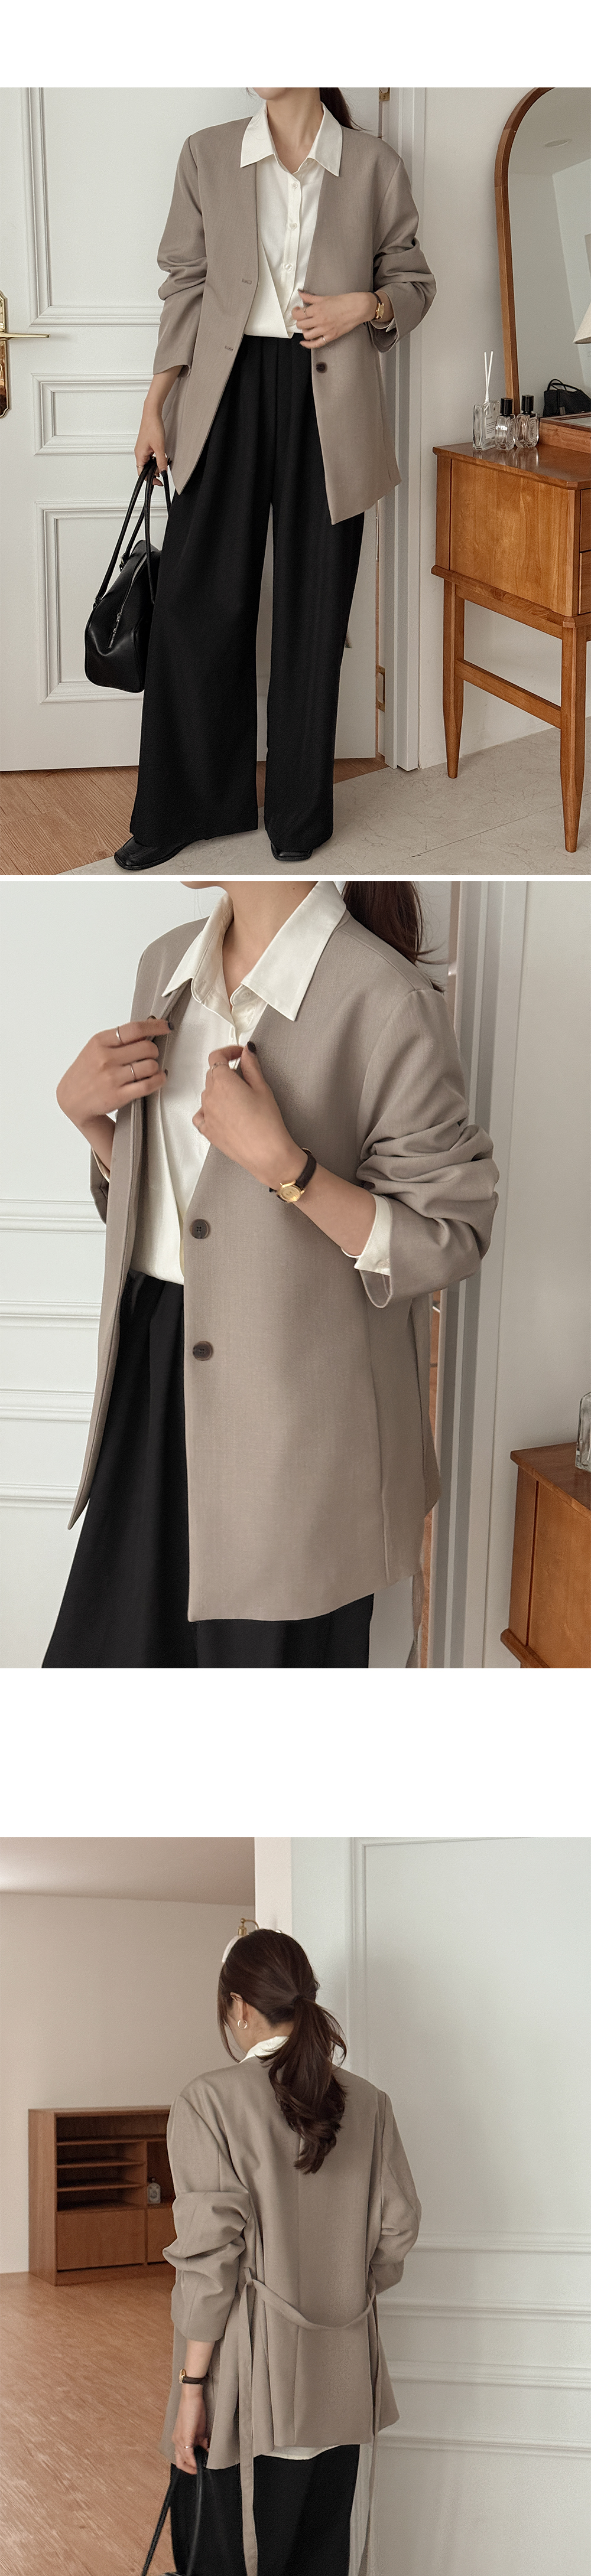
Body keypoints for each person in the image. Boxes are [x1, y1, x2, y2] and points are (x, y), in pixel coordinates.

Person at [43, 878, 498, 1671]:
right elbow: (174, 1220)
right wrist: (88, 1119)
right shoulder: (166, 966)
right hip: (153, 1389)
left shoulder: (387, 1000)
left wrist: (290, 1169)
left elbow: (447, 1237)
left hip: (301, 1434)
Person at [114, 89, 435, 870]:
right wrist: (155, 404)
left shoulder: (373, 165)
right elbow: (185, 284)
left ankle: (298, 813)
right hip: (221, 392)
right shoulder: (208, 153)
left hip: (331, 398)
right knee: (195, 601)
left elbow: (414, 281)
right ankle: (187, 806)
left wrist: (364, 306)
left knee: (313, 610)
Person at [161, 1925, 421, 2576]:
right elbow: (398, 2228)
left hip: (249, 2392)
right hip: (344, 2382)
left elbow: (211, 2262)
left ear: (239, 2006)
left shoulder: (209, 2100)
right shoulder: (368, 2100)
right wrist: (340, 2289)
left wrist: (191, 2388)